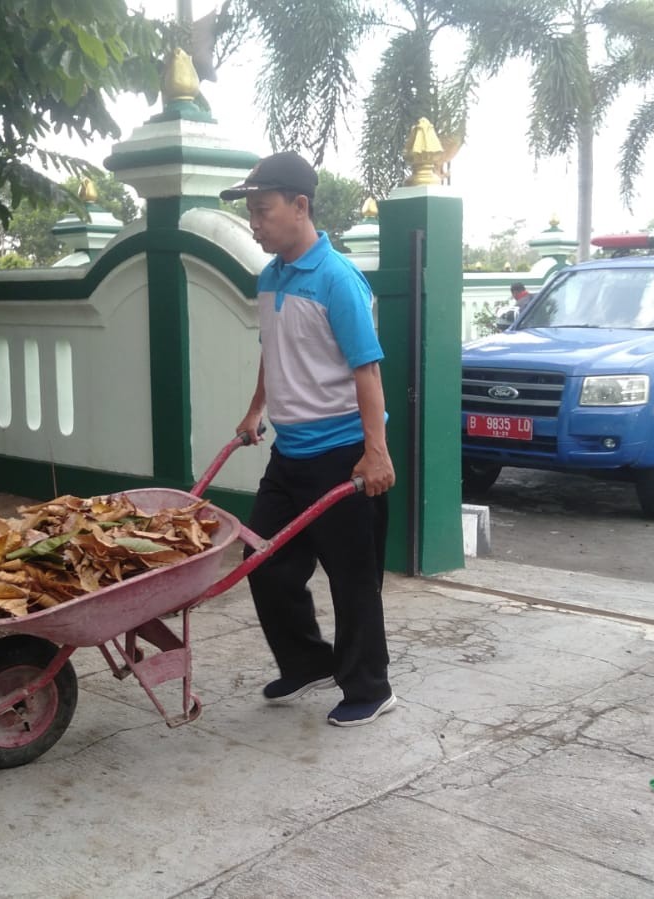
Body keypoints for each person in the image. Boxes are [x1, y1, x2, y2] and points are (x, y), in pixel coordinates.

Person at [220, 151, 398, 728]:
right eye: (250, 213)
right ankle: (307, 660)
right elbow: (276, 353)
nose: (255, 223)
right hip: (290, 453)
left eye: (263, 211)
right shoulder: (270, 278)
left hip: (343, 455)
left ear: (300, 206)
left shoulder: (336, 279)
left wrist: (375, 452)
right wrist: (255, 411)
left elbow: (366, 369)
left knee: (352, 580)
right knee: (263, 561)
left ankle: (370, 687)